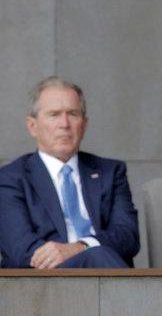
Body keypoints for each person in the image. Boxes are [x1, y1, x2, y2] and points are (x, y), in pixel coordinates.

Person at [0, 77, 139, 268]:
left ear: (85, 124)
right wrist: (71, 255)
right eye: (54, 114)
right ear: (32, 126)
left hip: (104, 269)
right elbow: (19, 249)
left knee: (99, 255)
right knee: (98, 256)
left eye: (73, 114)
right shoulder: (10, 178)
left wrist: (81, 247)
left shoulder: (110, 172)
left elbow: (128, 237)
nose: (64, 124)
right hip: (43, 282)